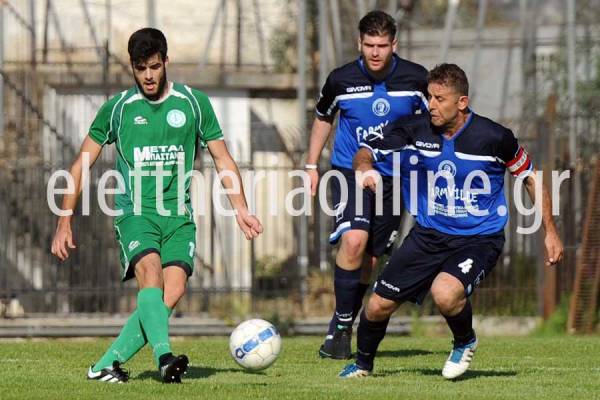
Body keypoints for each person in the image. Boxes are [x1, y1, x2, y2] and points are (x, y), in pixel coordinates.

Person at [50, 28, 263, 383]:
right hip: (137, 214)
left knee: (174, 289)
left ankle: (104, 364)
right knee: (150, 273)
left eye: (153, 66)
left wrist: (240, 207)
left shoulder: (194, 104)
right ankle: (165, 358)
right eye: (140, 68)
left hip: (178, 216)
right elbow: (80, 164)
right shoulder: (118, 109)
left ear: (166, 62)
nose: (148, 76)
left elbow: (222, 159)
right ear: (131, 68)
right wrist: (64, 218)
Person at [339, 63, 564, 379]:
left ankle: (464, 341)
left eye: (439, 99)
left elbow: (529, 177)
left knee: (445, 292)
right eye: (429, 97)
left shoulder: (494, 137)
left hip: (479, 238)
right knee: (376, 307)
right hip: (429, 235)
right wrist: (364, 168)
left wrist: (550, 231)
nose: (431, 105)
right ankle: (362, 366)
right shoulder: (414, 129)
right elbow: (366, 149)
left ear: (461, 102)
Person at [305, 10, 428, 359]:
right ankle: (344, 327)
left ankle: (338, 326)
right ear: (359, 43)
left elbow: (432, 123)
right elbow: (322, 118)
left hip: (393, 178)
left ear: (395, 45)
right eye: (369, 45)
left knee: (370, 260)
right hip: (350, 173)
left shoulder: (416, 80)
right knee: (354, 239)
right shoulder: (340, 80)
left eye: (382, 45)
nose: (375, 52)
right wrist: (312, 165)